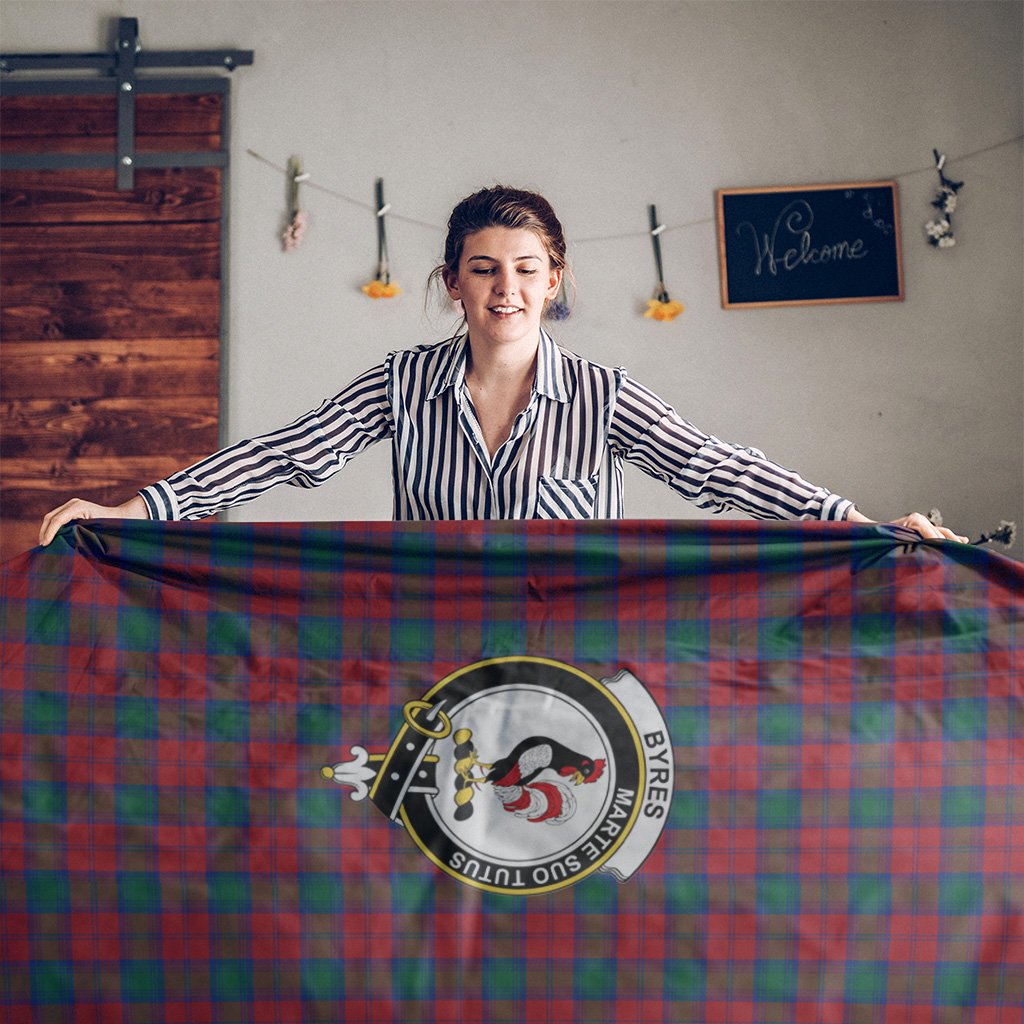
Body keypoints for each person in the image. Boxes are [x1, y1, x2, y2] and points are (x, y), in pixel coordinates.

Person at [38, 185, 967, 546]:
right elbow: (283, 455)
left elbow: (719, 467)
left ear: (555, 280)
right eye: (484, 269)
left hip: (580, 662)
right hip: (431, 658)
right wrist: (133, 511)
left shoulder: (604, 397)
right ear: (453, 283)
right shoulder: (401, 383)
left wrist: (860, 524)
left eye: (526, 271)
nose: (506, 289)